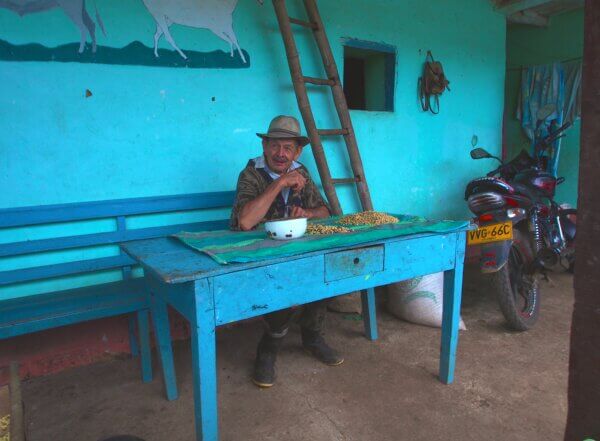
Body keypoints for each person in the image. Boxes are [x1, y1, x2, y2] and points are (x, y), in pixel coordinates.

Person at [230, 115, 344, 388]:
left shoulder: (302, 172)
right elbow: (245, 222)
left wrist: (307, 212)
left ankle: (312, 335)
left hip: (293, 250)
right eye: (275, 146)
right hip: (256, 254)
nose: (281, 154)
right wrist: (280, 183)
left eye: (288, 148)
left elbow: (325, 211)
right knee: (279, 281)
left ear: (298, 151)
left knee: (325, 269)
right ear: (265, 146)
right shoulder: (250, 174)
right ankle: (269, 345)